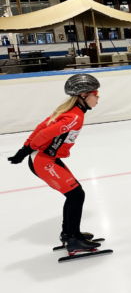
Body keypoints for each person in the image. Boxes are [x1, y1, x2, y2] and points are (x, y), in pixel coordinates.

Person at [8, 74, 101, 254]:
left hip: (46, 158)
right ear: (83, 95)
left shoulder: (70, 111)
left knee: (74, 194)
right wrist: (25, 150)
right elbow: (44, 133)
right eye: (95, 94)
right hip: (43, 160)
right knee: (76, 195)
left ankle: (69, 234)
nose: (98, 98)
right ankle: (73, 239)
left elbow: (41, 127)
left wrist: (24, 149)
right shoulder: (74, 117)